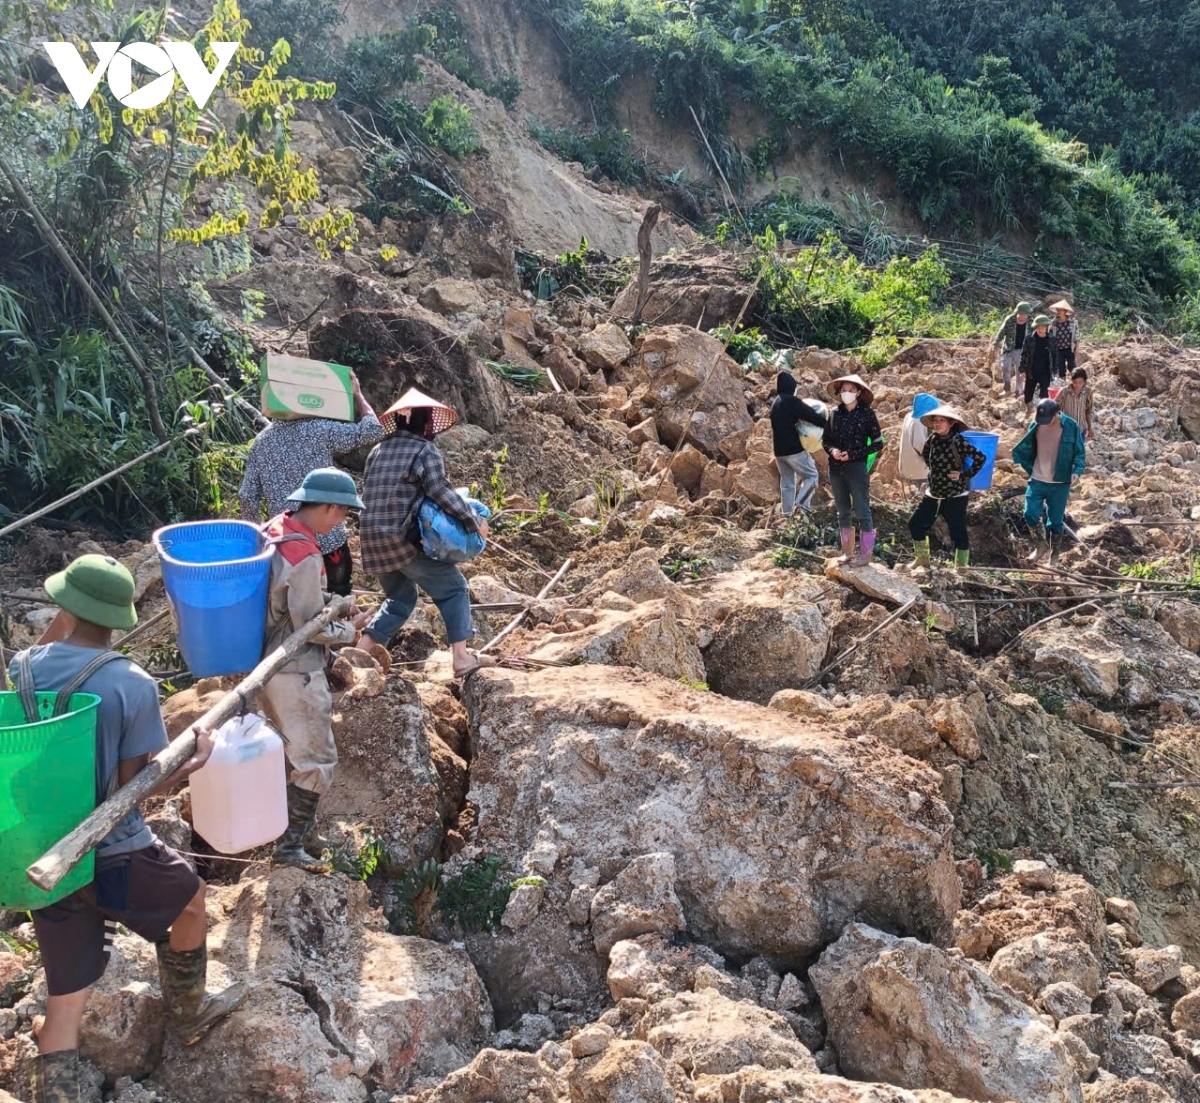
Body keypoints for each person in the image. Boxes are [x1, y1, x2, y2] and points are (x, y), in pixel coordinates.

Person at [9, 555, 243, 1102]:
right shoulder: (131, 684)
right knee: (190, 898)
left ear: (65, 606)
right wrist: (190, 765)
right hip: (113, 850)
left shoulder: (22, 667)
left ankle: (56, 1091)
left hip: (45, 854)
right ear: (120, 616)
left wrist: (62, 621)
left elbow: (46, 659)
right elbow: (133, 792)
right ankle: (189, 1011)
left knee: (65, 997)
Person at [260, 469, 370, 873]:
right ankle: (288, 848)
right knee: (317, 757)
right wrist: (349, 629)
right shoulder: (305, 554)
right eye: (341, 515)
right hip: (296, 668)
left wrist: (334, 600)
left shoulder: (277, 531)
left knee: (292, 752)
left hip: (267, 662)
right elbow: (310, 624)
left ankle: (304, 833)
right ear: (327, 507)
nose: (339, 524)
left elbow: (285, 593)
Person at [359, 388, 493, 678]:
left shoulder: (376, 451)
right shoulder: (423, 449)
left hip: (371, 544)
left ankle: (359, 651)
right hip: (402, 543)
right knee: (454, 588)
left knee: (401, 598)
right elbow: (440, 491)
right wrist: (473, 522)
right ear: (426, 425)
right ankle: (461, 657)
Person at [239, 371, 382, 596]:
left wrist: (258, 543)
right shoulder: (319, 429)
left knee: (295, 608)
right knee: (338, 602)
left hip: (288, 546)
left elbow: (247, 496)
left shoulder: (260, 443)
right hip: (329, 540)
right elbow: (373, 429)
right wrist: (357, 395)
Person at [907, 405, 987, 571]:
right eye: (935, 421)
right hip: (934, 495)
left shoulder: (958, 441)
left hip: (955, 496)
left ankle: (961, 567)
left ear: (951, 423)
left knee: (957, 531)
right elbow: (926, 458)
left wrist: (963, 475)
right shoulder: (932, 440)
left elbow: (980, 458)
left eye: (941, 421)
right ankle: (922, 560)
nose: (937, 424)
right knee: (915, 523)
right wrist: (935, 476)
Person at [1013, 398, 1086, 563]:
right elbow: (1028, 446)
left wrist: (1077, 471)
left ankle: (1054, 555)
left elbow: (1080, 452)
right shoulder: (1036, 425)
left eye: (1048, 419)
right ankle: (1040, 545)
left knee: (1055, 521)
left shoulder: (1071, 426)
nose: (1045, 423)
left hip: (1060, 482)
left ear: (1057, 414)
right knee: (1029, 513)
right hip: (1038, 478)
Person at [822, 374, 882, 567]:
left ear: (858, 392)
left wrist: (854, 454)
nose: (847, 393)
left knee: (862, 509)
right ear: (839, 393)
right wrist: (833, 451)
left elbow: (877, 443)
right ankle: (847, 553)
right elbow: (826, 441)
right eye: (844, 390)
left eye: (851, 390)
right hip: (836, 467)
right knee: (842, 510)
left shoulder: (867, 414)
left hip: (856, 468)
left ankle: (865, 555)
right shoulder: (834, 414)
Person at [770, 371, 826, 517]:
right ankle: (800, 508)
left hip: (779, 452)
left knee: (787, 483)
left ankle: (787, 516)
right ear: (792, 387)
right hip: (794, 450)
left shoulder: (776, 402)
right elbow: (811, 415)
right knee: (812, 476)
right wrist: (828, 425)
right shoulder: (791, 401)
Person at [988, 300, 1033, 397]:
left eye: (1025, 314)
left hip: (1022, 350)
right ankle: (1007, 388)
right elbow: (1001, 332)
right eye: (1021, 314)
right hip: (1009, 348)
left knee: (1019, 370)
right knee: (1005, 368)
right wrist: (995, 344)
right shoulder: (1010, 320)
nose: (1022, 316)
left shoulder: (1030, 322)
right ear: (1017, 313)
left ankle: (1018, 390)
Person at [1020, 314, 1055, 414]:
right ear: (1035, 327)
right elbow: (1024, 355)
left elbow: (1055, 356)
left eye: (1043, 327)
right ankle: (1029, 409)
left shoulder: (1052, 339)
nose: (1040, 329)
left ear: (1047, 327)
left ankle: (1042, 414)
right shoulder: (1029, 338)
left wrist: (1055, 371)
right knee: (1027, 394)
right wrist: (1022, 370)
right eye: (1038, 327)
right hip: (1031, 371)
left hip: (1045, 372)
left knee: (1044, 395)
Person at [1057, 367, 1095, 439]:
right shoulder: (1065, 392)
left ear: (1084, 382)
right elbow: (1055, 408)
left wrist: (1090, 427)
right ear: (1071, 381)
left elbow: (1088, 410)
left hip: (1081, 430)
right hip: (1066, 429)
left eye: (1080, 383)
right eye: (1075, 383)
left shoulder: (1088, 392)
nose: (1077, 385)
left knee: (1079, 449)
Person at [1049, 300, 1079, 380]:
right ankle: (1063, 384)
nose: (1058, 312)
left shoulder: (1073, 322)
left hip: (1070, 348)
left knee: (1072, 366)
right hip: (1058, 349)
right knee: (1061, 367)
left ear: (1065, 311)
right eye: (1057, 310)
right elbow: (1050, 337)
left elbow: (1077, 336)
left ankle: (1076, 382)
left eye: (1060, 310)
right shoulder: (1053, 323)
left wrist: (1076, 349)